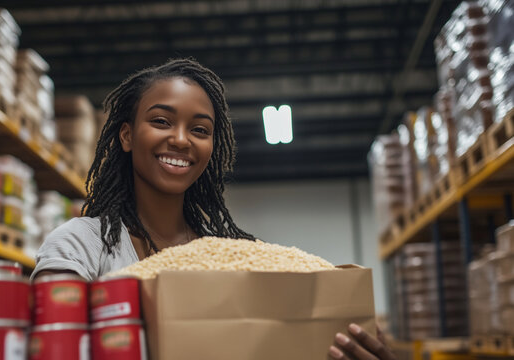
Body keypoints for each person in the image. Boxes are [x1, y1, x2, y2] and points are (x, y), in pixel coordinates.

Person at [32, 58, 396, 360]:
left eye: (200, 129)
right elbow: (52, 341)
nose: (180, 139)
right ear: (126, 135)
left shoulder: (233, 257)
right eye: (161, 121)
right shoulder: (81, 244)